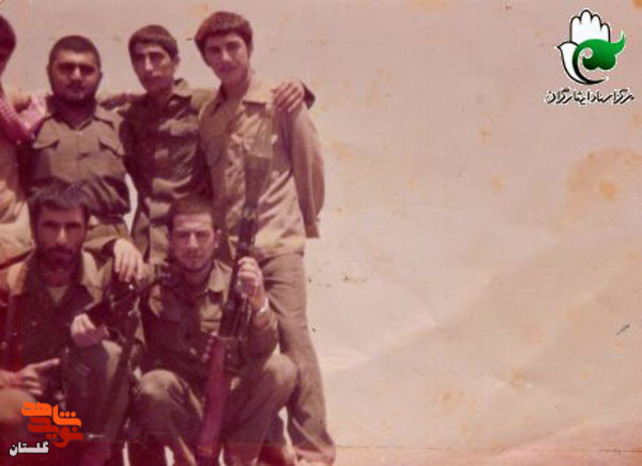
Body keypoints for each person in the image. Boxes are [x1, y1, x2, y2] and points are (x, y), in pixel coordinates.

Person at [196, 11, 333, 465]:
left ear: (249, 48)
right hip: (231, 255)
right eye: (214, 51)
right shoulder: (209, 114)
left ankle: (314, 453)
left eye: (232, 47)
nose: (225, 57)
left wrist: (300, 224)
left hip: (276, 244)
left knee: (293, 341)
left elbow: (310, 166)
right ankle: (273, 452)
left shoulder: (282, 100)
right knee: (247, 354)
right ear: (205, 58)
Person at [119, 24, 308, 268]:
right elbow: (86, 107)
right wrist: (122, 96)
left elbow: (253, 100)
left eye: (156, 57)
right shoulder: (130, 115)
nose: (147, 67)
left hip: (194, 241)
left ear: (175, 62)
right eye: (139, 59)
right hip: (145, 244)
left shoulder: (206, 104)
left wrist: (298, 86)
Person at [131, 196, 296, 465]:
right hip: (183, 407)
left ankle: (240, 458)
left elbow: (263, 348)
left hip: (230, 403)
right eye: (183, 236)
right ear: (169, 240)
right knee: (152, 385)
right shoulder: (154, 284)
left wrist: (259, 302)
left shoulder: (237, 285)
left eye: (201, 235)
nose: (192, 245)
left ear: (216, 239)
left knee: (282, 369)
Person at [0, 180, 140, 465]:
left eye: (72, 227)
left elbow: (135, 350)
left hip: (87, 421)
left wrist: (102, 338)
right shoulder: (9, 281)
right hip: (30, 420)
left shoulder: (108, 280)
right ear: (34, 229)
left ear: (87, 230)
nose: (61, 239)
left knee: (111, 354)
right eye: (51, 226)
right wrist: (9, 379)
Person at [20, 35, 143, 283]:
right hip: (48, 243)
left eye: (86, 70)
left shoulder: (121, 127)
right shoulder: (29, 124)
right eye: (66, 68)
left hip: (111, 247)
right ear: (49, 72)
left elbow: (148, 188)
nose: (76, 76)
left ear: (100, 76)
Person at [0, 15, 45, 266]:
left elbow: (55, 99)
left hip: (11, 241)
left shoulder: (7, 97)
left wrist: (128, 96)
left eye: (1, 58)